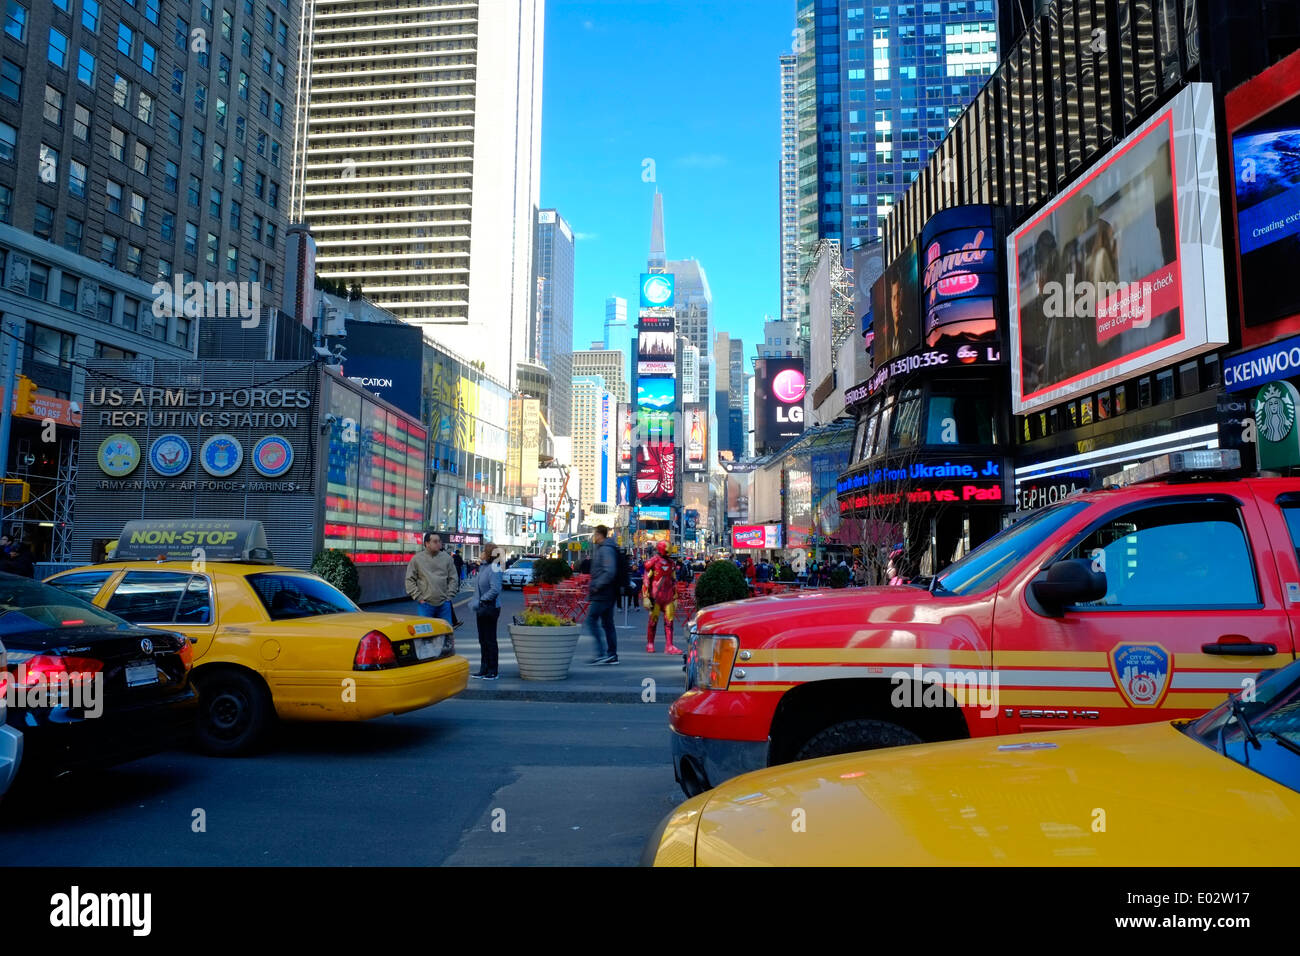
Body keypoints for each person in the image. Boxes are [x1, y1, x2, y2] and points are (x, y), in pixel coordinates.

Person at [405, 531, 460, 627]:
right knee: (426, 635)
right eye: (435, 541)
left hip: (444, 603)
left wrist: (449, 596)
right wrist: (419, 597)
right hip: (425, 604)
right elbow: (409, 579)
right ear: (427, 543)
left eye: (439, 541)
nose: (438, 544)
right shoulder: (417, 559)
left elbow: (453, 578)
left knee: (445, 635)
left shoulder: (447, 558)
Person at [586, 525, 620, 665]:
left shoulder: (605, 549)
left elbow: (609, 571)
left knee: (592, 620)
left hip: (603, 592)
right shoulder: (606, 548)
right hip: (607, 592)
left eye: (595, 534)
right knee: (607, 623)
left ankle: (602, 653)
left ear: (600, 535)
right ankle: (611, 654)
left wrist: (596, 585)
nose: (594, 537)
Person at [642, 540, 682, 654]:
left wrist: (675, 598)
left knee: (669, 622)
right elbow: (646, 579)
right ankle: (650, 643)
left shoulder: (671, 564)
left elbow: (674, 581)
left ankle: (669, 645)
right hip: (656, 597)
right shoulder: (653, 562)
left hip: (668, 597)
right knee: (653, 621)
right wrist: (645, 597)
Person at [471, 543, 503, 679]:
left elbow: (495, 588)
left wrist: (483, 599)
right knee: (482, 639)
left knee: (490, 639)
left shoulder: (494, 568)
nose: (481, 553)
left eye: (483, 550)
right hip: (481, 606)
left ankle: (493, 670)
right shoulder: (483, 567)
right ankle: (483, 668)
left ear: (489, 553)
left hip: (490, 607)